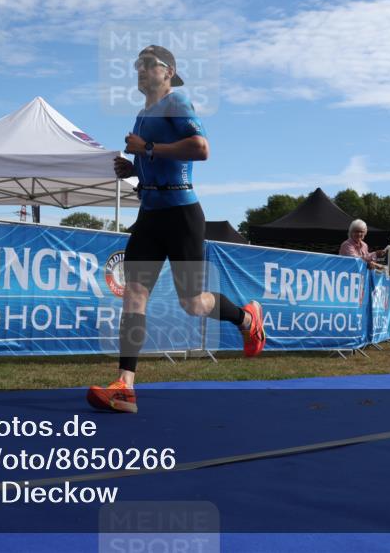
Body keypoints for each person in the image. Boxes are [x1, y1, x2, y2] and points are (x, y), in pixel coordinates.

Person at [87, 45, 265, 413]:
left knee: (193, 303)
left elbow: (201, 149)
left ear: (168, 72)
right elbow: (154, 160)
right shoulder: (142, 114)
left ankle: (247, 318)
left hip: (182, 213)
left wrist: (147, 148)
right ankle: (125, 386)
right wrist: (134, 168)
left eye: (148, 65)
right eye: (137, 65)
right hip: (150, 213)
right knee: (135, 294)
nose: (140, 70)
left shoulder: (177, 102)